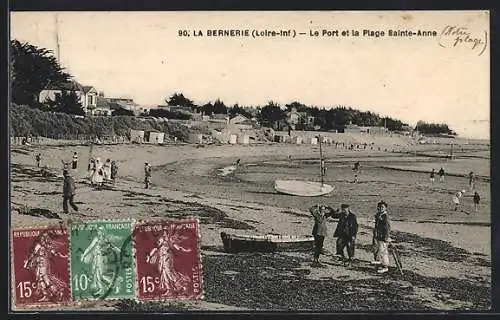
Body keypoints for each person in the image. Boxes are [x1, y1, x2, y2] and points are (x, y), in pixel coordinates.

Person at [146, 228, 192, 296]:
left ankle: (183, 286)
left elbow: (177, 247)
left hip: (168, 257)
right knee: (164, 273)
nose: (165, 234)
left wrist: (185, 250)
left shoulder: (170, 240)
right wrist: (150, 256)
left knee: (169, 272)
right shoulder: (161, 239)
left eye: (166, 232)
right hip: (162, 258)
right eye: (163, 232)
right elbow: (156, 248)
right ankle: (169, 290)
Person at [372, 201, 391, 274]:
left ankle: (385, 266)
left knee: (383, 252)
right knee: (377, 250)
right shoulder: (378, 215)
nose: (380, 208)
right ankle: (378, 263)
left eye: (382, 207)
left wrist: (386, 237)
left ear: (385, 208)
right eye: (379, 207)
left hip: (383, 236)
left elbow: (387, 228)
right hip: (377, 235)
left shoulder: (385, 216)